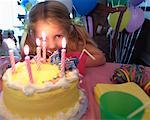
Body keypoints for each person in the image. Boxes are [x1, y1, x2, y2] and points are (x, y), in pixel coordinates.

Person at [21, 1, 106, 67]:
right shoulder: (31, 48)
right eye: (43, 38)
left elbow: (100, 58)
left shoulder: (73, 43)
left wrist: (72, 63)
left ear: (69, 30)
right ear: (32, 35)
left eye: (58, 36)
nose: (52, 45)